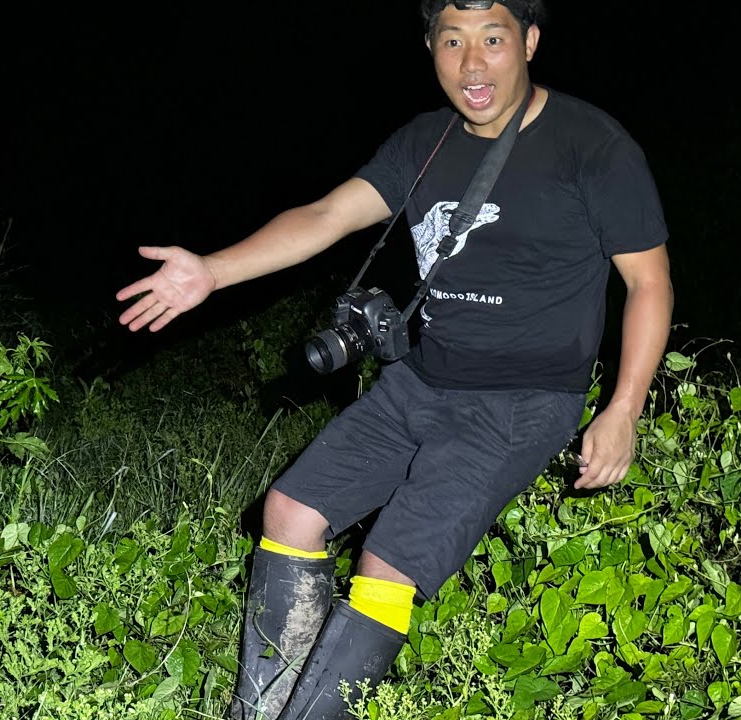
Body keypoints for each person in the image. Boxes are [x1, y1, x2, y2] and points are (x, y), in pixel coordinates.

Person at [115, 1, 674, 718]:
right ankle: (259, 710)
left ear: (530, 42)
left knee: (385, 564)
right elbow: (324, 216)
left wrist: (623, 408)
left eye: (493, 39)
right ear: (431, 49)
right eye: (453, 42)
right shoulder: (425, 143)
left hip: (522, 399)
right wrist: (211, 272)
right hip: (420, 380)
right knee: (287, 511)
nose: (473, 64)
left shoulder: (592, 146)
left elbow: (649, 282)